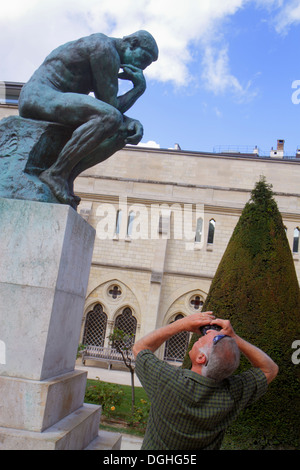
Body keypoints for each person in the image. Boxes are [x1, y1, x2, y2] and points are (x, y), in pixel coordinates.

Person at [19, 31, 158, 208]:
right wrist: (138, 89)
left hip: (59, 101)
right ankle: (56, 173)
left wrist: (130, 121)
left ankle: (67, 176)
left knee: (125, 131)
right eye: (144, 59)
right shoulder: (104, 49)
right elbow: (110, 107)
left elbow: (109, 107)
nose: (143, 67)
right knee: (111, 118)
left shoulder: (111, 54)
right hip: (38, 96)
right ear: (132, 43)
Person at [132, 312, 278, 450]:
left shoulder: (167, 381)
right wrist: (234, 338)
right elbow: (269, 369)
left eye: (202, 339)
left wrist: (181, 324)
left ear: (201, 358)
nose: (201, 336)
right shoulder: (233, 394)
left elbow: (140, 349)